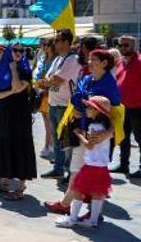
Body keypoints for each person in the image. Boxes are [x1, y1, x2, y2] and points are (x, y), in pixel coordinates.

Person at [46, 49, 121, 217]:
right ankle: (85, 210)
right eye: (89, 59)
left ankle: (71, 206)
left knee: (87, 172)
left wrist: (106, 135)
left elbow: (118, 116)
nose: (89, 62)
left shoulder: (110, 85)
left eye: (93, 59)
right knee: (79, 170)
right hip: (85, 131)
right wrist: (75, 112)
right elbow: (77, 99)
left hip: (97, 137)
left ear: (104, 63)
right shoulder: (87, 79)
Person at [0, 43, 37, 201]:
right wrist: (9, 92)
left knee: (20, 146)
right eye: (14, 50)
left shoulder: (24, 69)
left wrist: (14, 69)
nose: (17, 53)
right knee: (4, 143)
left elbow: (18, 87)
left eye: (20, 50)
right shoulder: (1, 69)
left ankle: (21, 187)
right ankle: (5, 183)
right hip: (5, 113)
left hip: (20, 115)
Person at [55, 96, 114, 229]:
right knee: (97, 193)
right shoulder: (107, 127)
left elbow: (89, 146)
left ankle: (72, 219)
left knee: (77, 190)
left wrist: (79, 133)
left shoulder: (94, 126)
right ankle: (92, 221)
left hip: (91, 166)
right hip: (102, 167)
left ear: (97, 111)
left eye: (89, 107)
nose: (86, 109)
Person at [40, 29, 81, 180]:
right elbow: (47, 77)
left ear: (66, 42)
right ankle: (58, 169)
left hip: (66, 105)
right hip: (53, 103)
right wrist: (49, 80)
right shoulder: (57, 59)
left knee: (67, 142)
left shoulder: (73, 59)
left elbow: (56, 79)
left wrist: (49, 80)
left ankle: (70, 173)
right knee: (57, 140)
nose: (54, 43)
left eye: (57, 40)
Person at [113, 35, 141, 178]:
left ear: (134, 46)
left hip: (138, 108)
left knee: (140, 138)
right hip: (123, 108)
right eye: (121, 45)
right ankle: (124, 165)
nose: (123, 48)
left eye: (126, 45)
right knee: (123, 138)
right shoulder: (120, 62)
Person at [33, 38, 56, 159]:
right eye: (42, 45)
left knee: (51, 121)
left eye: (46, 44)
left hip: (50, 92)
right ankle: (48, 144)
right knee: (46, 121)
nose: (44, 47)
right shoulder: (42, 58)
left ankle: (50, 145)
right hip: (41, 92)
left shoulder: (56, 60)